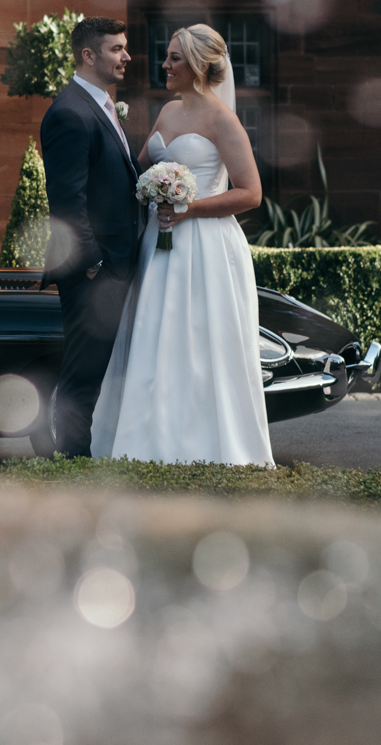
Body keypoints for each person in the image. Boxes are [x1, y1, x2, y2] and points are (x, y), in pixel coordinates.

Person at [89, 23, 274, 466]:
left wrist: (189, 208)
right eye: (167, 56)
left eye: (173, 58)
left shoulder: (222, 120)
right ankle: (146, 442)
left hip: (204, 248)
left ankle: (208, 446)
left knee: (198, 344)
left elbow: (250, 192)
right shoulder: (168, 112)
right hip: (158, 241)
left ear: (196, 65)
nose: (164, 64)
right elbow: (139, 170)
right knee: (154, 336)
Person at [39, 16, 142, 457]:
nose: (127, 56)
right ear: (89, 55)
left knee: (95, 372)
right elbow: (66, 202)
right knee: (82, 377)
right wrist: (95, 264)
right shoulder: (69, 112)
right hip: (92, 274)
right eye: (117, 48)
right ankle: (72, 464)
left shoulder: (97, 106)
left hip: (111, 268)